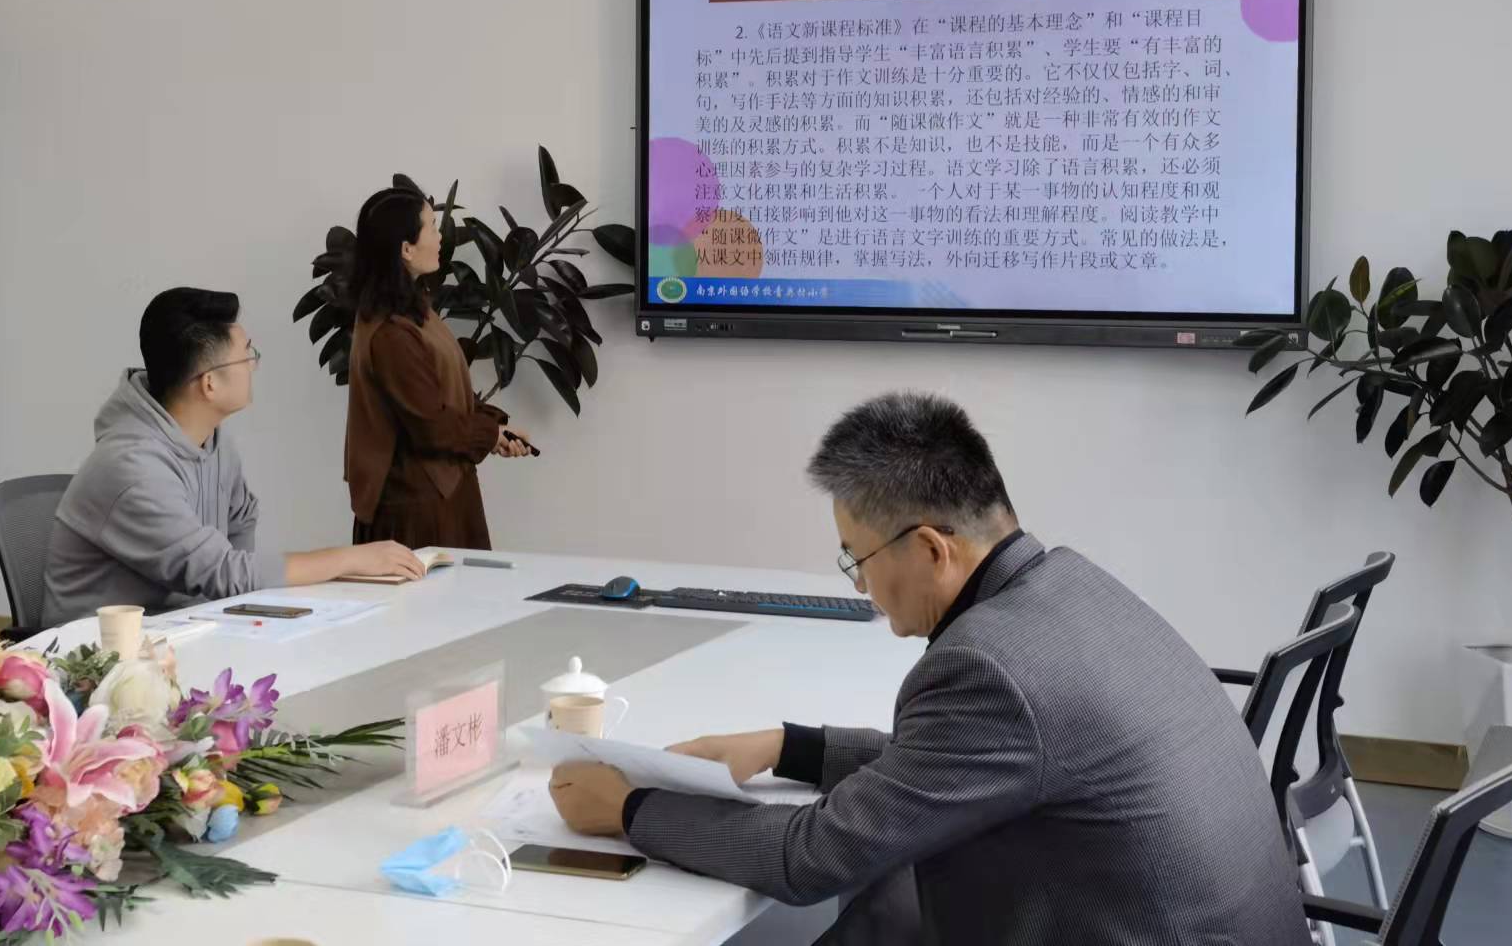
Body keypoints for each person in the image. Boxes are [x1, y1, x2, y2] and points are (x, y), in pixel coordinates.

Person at [549, 391, 1311, 946]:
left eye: (858, 558)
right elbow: (956, 763)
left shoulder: (986, 667)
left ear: (930, 549)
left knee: (875, 892)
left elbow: (811, 854)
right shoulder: (1070, 585)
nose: (860, 584)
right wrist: (788, 745)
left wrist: (631, 809)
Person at [41, 288, 427, 626]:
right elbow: (224, 572)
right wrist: (350, 559)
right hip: (105, 655)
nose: (253, 365)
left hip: (184, 628)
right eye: (246, 356)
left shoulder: (210, 437)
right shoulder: (131, 468)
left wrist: (241, 598)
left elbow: (241, 518)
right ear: (209, 383)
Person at [343, 179, 532, 551]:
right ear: (406, 249)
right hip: (417, 513)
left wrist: (496, 428)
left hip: (439, 496)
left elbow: (440, 394)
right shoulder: (390, 332)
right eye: (431, 226)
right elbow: (432, 426)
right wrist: (489, 434)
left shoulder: (411, 309)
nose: (441, 235)